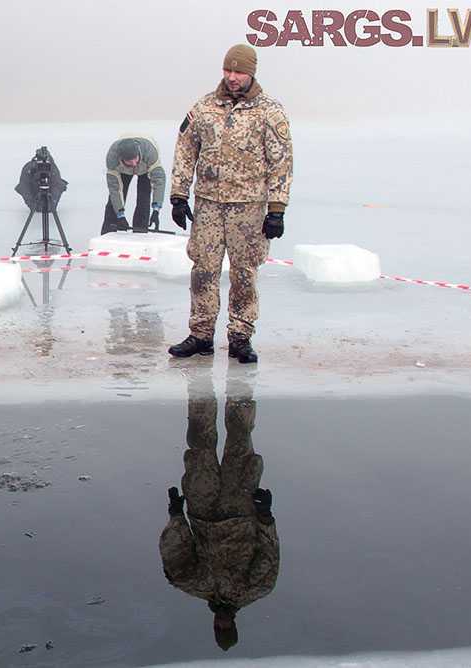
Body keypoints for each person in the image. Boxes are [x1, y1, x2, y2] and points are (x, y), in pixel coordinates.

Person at [167, 44, 293, 364]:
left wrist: (276, 209)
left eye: (238, 71)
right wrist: (179, 195)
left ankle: (240, 336)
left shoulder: (269, 111)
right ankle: (201, 335)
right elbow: (185, 150)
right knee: (203, 271)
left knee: (244, 274)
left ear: (251, 72)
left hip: (248, 208)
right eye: (228, 70)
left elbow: (281, 162)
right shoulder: (205, 107)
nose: (232, 77)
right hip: (208, 205)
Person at [160, 368, 279, 651]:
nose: (222, 623)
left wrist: (176, 516)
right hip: (240, 508)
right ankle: (240, 383)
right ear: (235, 624)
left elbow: (174, 554)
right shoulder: (256, 588)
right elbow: (268, 552)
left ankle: (200, 386)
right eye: (227, 627)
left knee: (200, 445)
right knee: (240, 439)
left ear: (213, 623)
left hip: (202, 509)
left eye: (219, 627)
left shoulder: (194, 584)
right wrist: (265, 516)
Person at [101, 133, 166, 235]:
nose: (134, 164)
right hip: (123, 169)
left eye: (135, 160)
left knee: (143, 198)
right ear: (122, 159)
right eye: (130, 162)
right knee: (114, 201)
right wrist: (120, 215)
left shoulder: (150, 153)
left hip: (145, 166)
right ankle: (107, 232)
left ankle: (140, 232)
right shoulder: (112, 159)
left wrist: (156, 210)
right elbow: (115, 189)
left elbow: (159, 180)